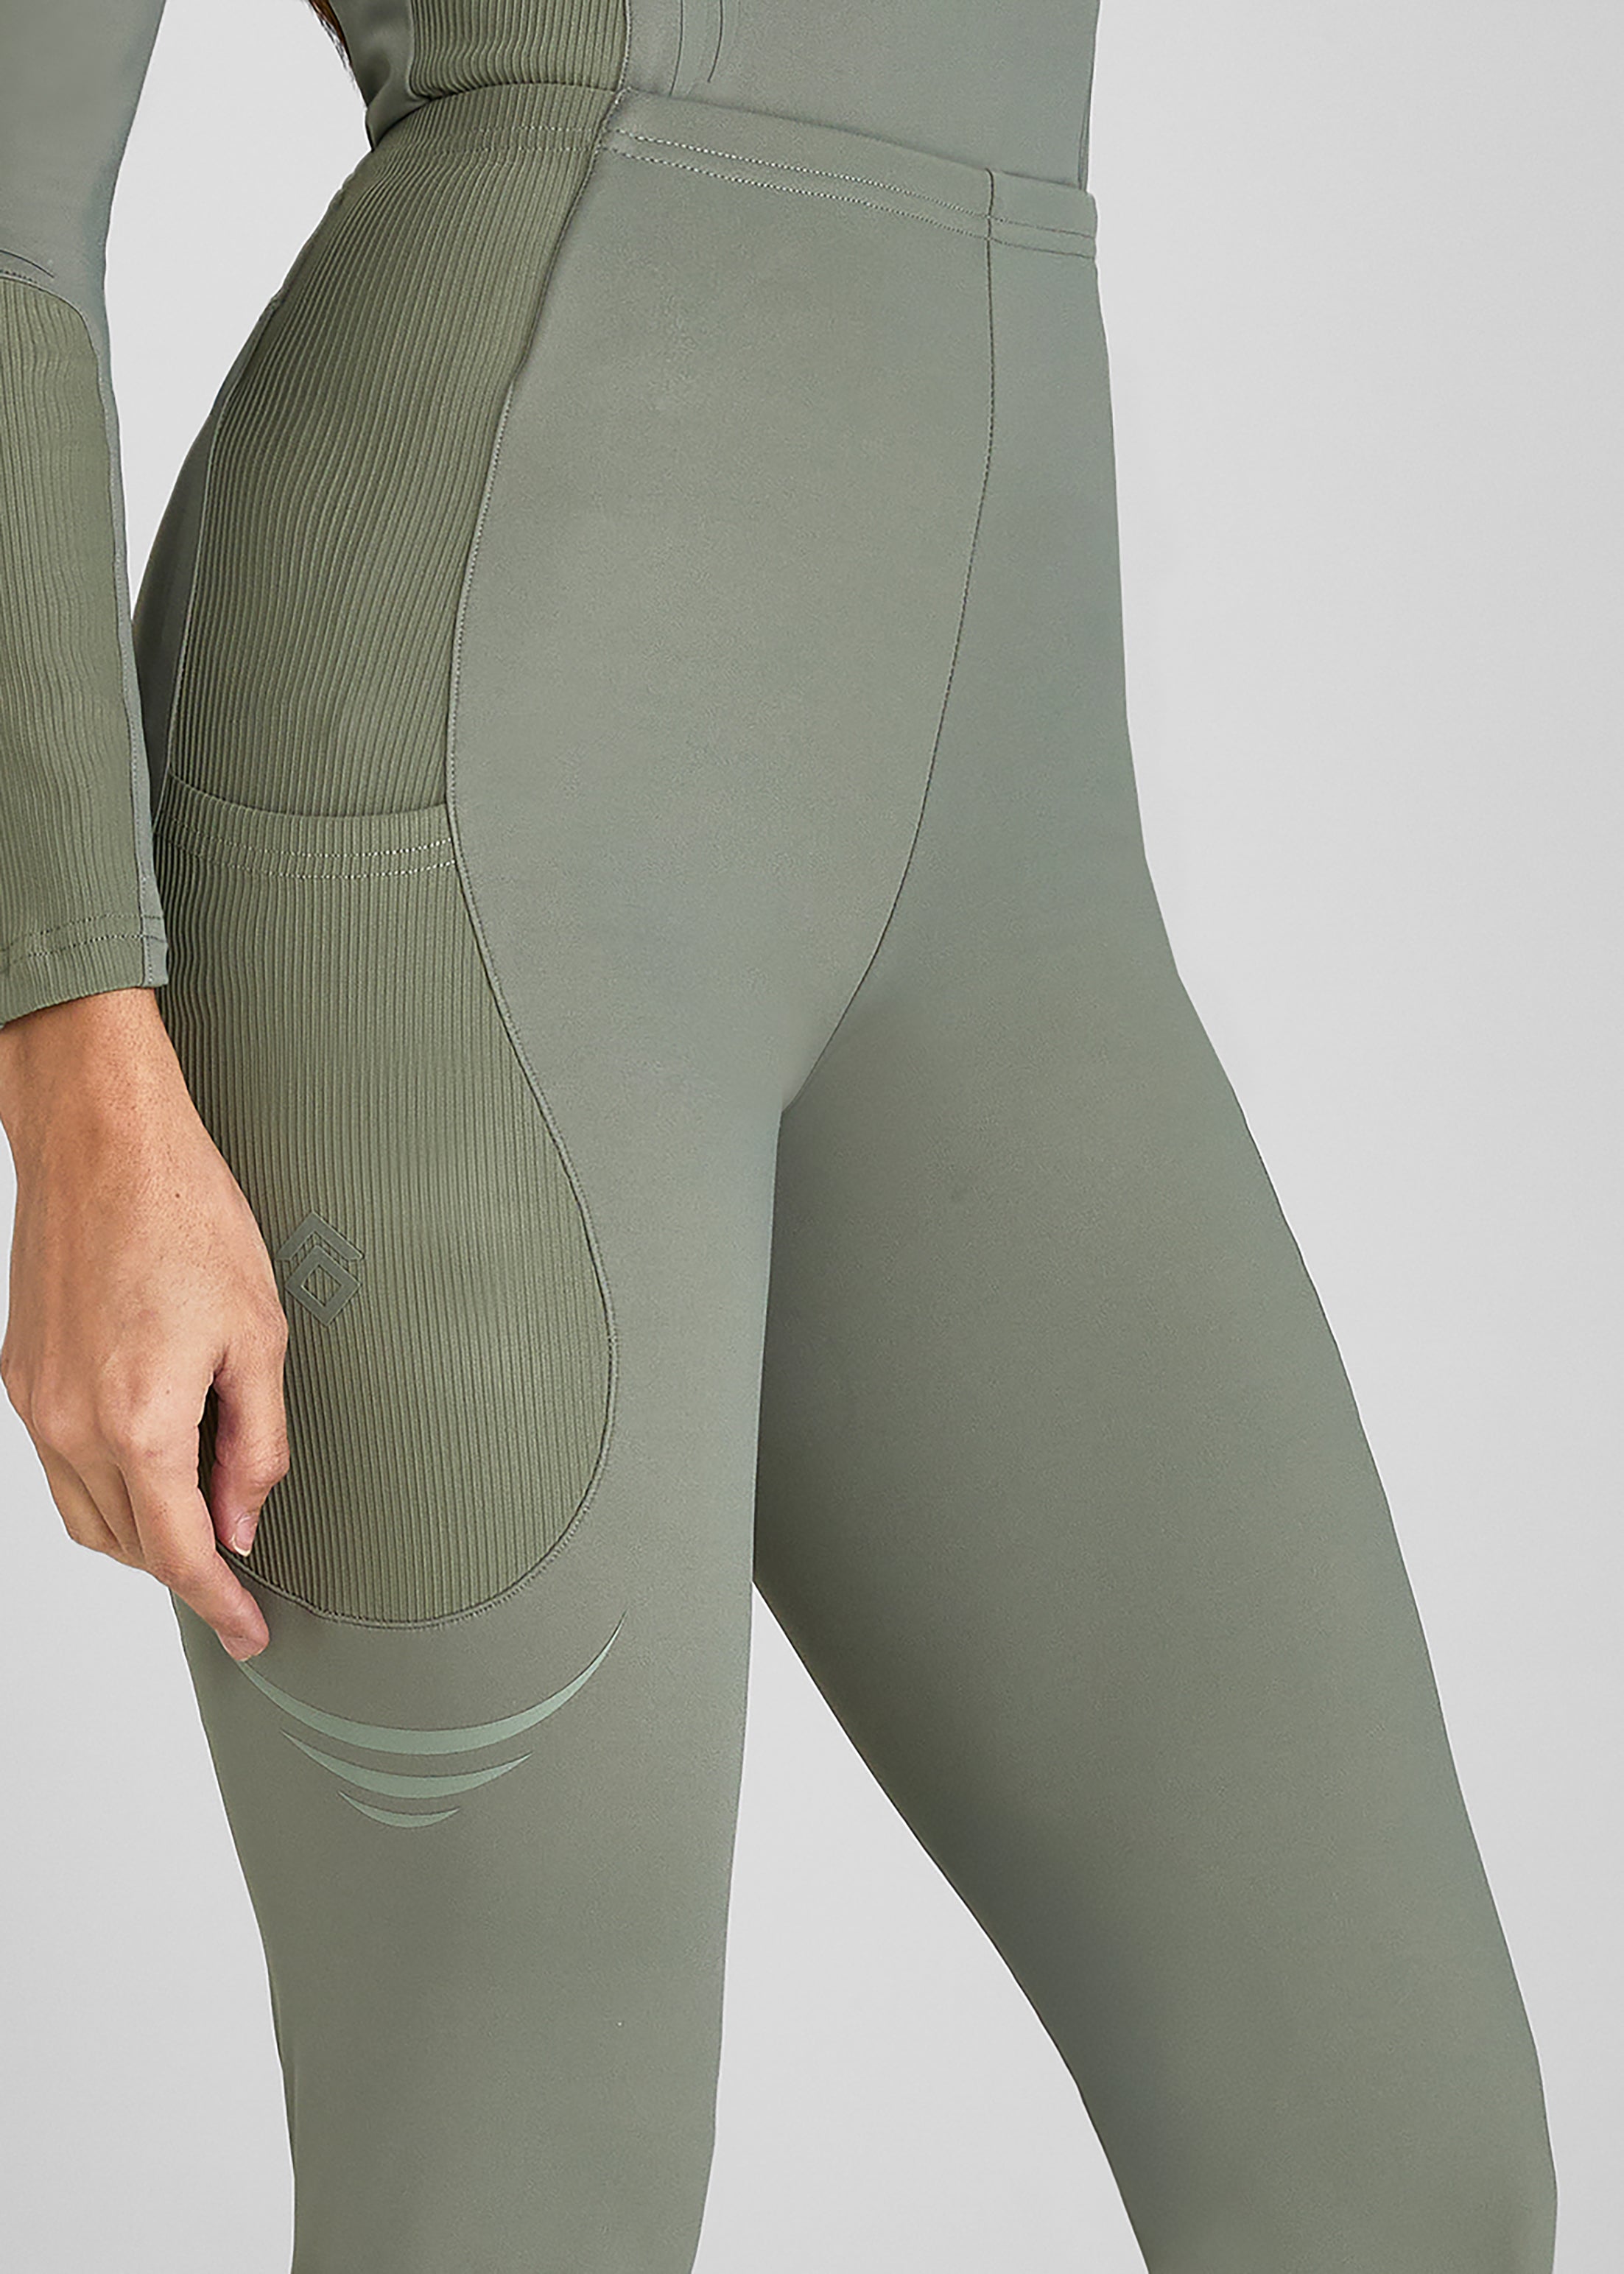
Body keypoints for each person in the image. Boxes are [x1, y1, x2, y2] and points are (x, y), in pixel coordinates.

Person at [0, 3, 1559, 2268]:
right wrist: (74, 1058)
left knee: (1397, 2165)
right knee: (517, 2192)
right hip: (449, 824)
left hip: (1010, 841)